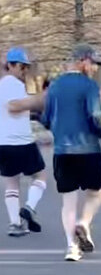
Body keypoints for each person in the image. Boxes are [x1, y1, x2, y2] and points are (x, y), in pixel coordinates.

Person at [40, 43, 101, 262]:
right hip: (88, 148)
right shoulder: (89, 86)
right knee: (96, 192)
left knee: (68, 202)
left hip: (62, 151)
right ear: (82, 61)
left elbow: (45, 118)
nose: (94, 69)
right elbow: (95, 116)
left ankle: (72, 248)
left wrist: (60, 131)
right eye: (93, 64)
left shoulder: (54, 86)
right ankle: (84, 222)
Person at [0, 47, 47, 237]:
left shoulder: (3, 84)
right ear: (11, 65)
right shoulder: (13, 84)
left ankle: (15, 224)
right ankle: (29, 207)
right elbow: (13, 106)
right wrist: (37, 100)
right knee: (41, 177)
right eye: (22, 66)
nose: (24, 70)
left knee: (12, 183)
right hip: (22, 142)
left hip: (3, 142)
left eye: (26, 67)